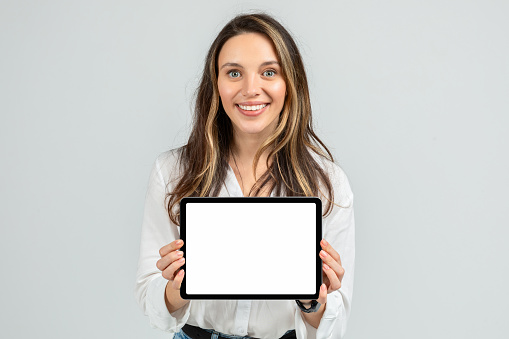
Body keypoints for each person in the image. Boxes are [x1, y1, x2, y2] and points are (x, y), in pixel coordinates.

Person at [134, 13, 355, 339]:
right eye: (234, 73)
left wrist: (313, 300)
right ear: (216, 84)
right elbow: (150, 301)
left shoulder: (328, 185)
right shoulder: (172, 171)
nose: (251, 89)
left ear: (289, 84)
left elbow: (332, 328)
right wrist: (176, 286)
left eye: (269, 72)